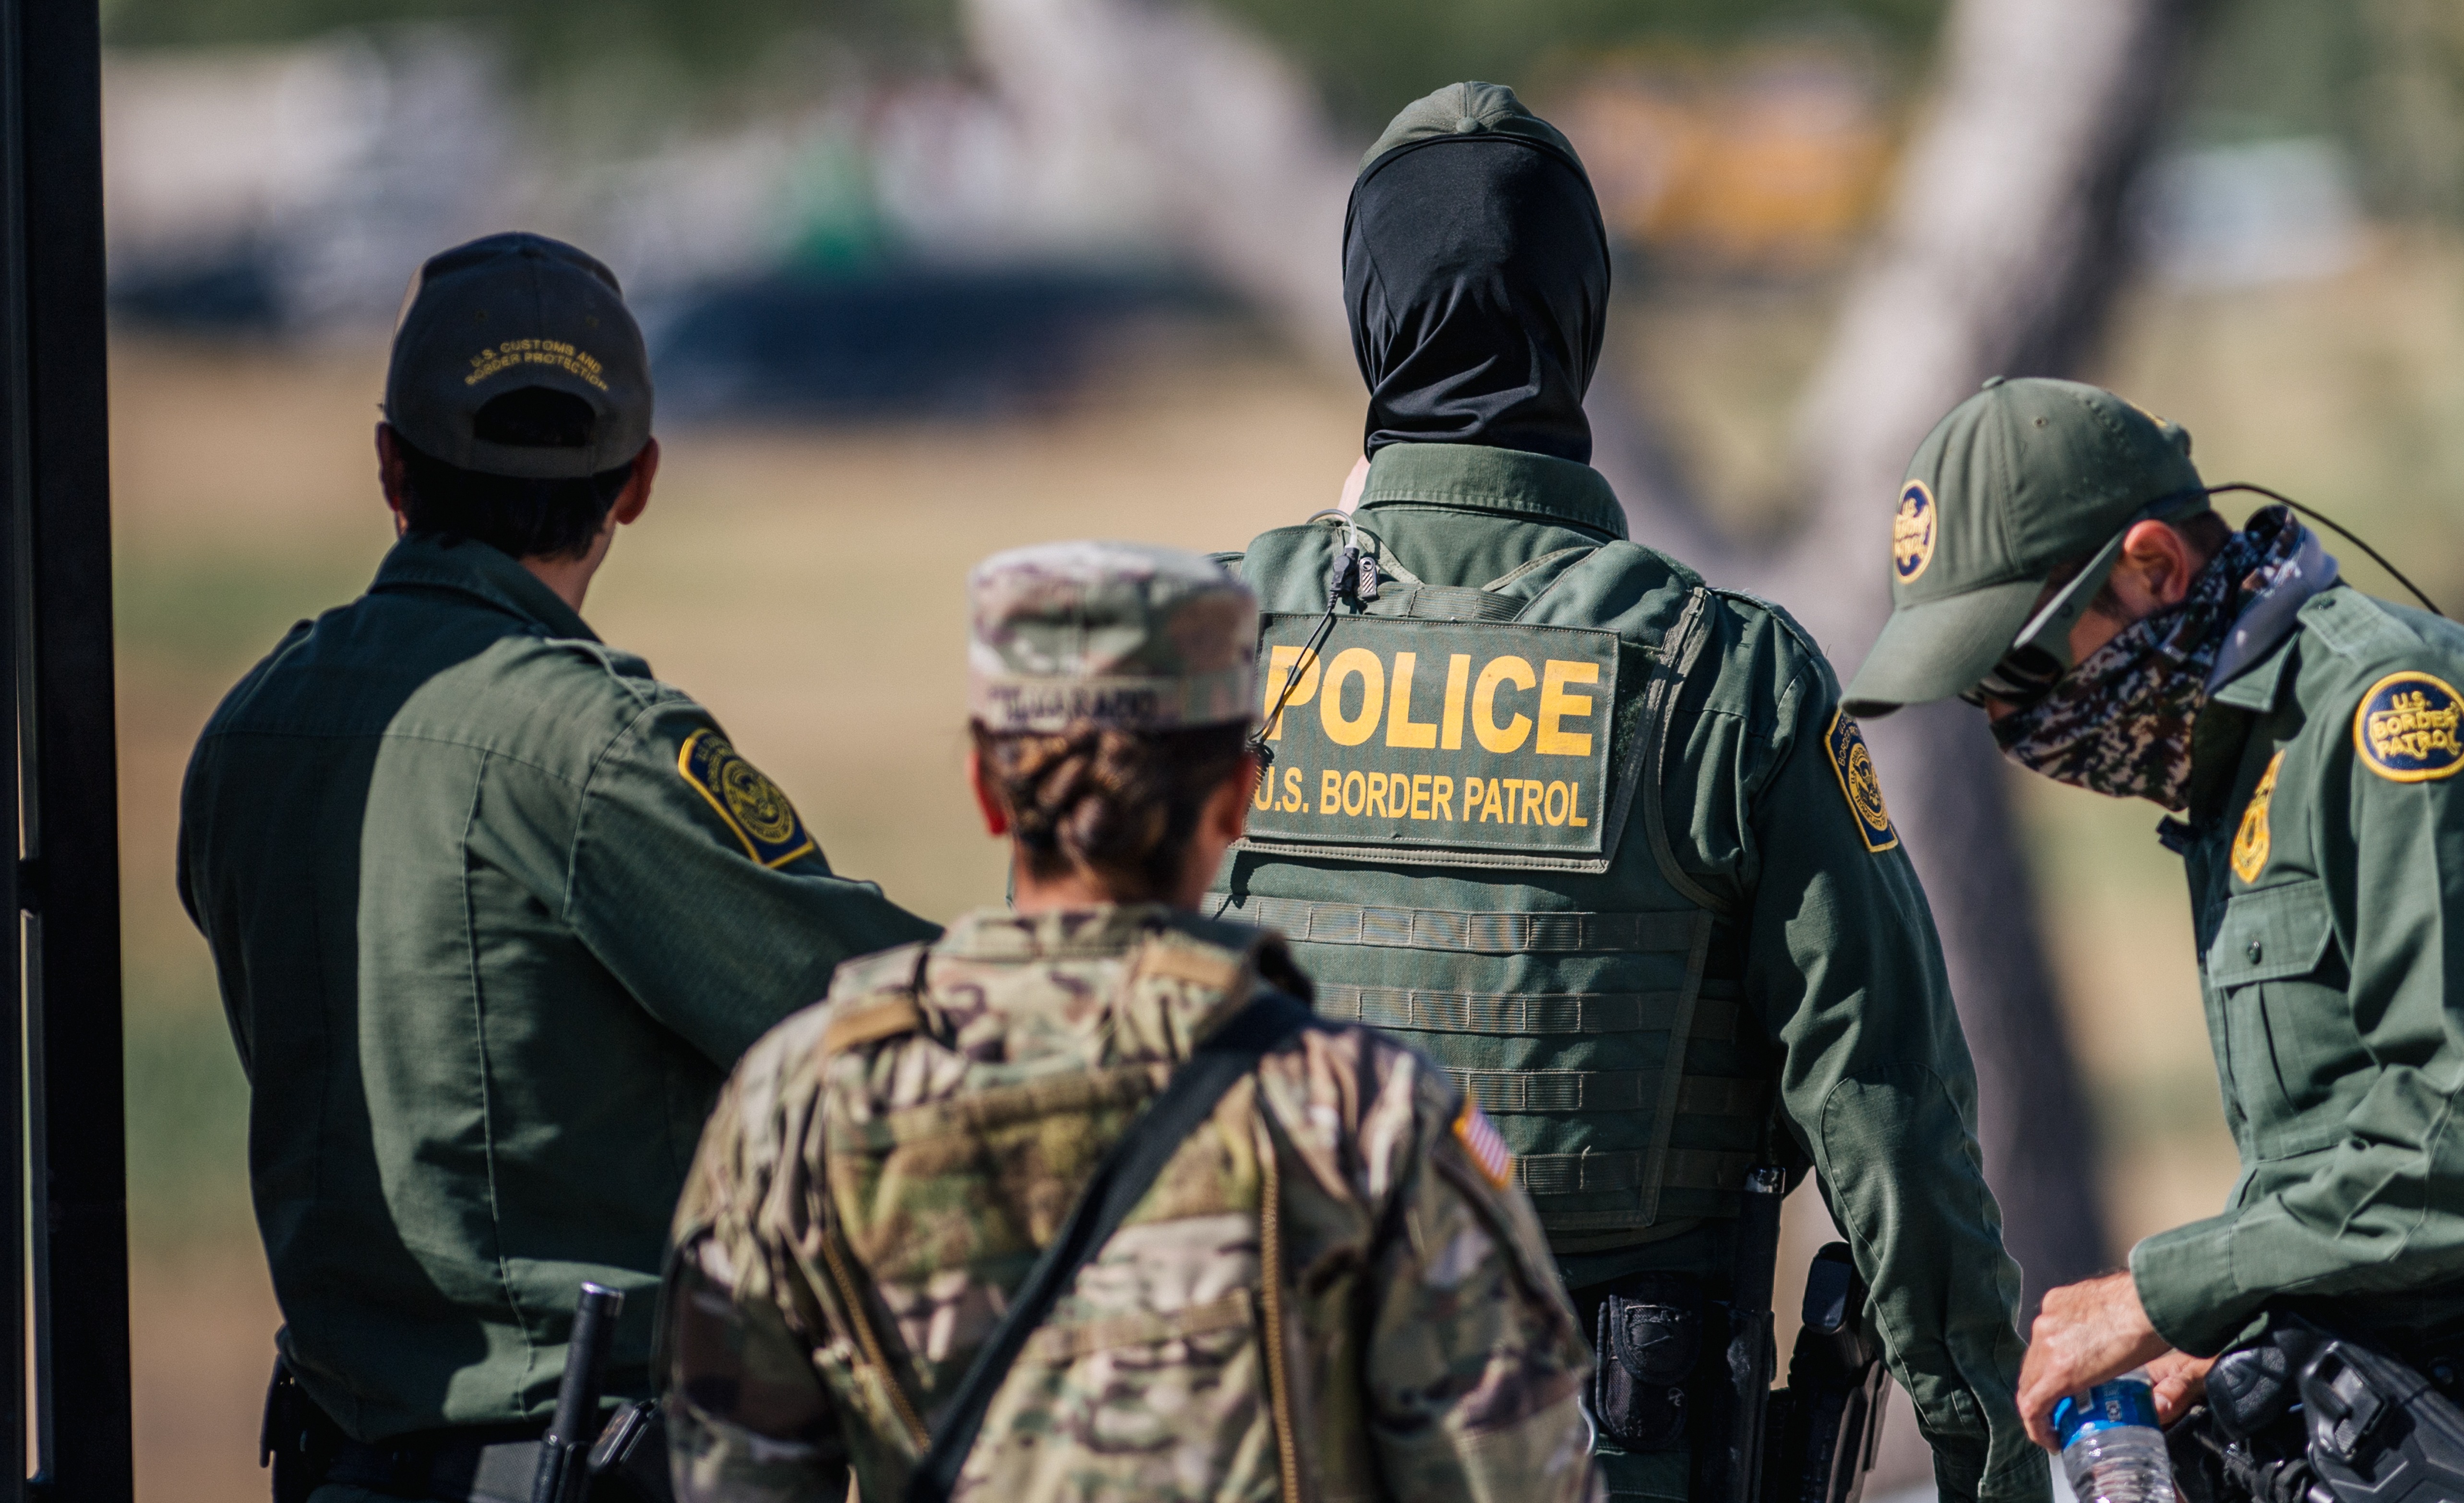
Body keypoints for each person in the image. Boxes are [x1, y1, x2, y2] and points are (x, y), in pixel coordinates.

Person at [1209, 82, 2043, 1503]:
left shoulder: (1218, 637)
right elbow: (1890, 1117)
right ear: (1583, 320)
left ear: (1366, 315)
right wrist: (1987, 1462)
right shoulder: (1729, 677)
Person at [176, 231, 941, 1503]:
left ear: (387, 466)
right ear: (636, 481)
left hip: (338, 1457)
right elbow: (873, 1013)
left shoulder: (251, 727)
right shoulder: (596, 749)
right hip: (576, 1461)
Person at [661, 540, 1598, 1502]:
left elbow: (731, 1474)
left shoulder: (803, 1096)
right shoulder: (1364, 1115)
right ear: (1239, 796)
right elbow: (1516, 1478)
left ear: (989, 788)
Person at [1838, 377, 2464, 1468]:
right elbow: (2340, 1148)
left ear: (2156, 568)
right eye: (1975, 690)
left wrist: (2165, 1295)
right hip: (2369, 1432)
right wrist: (2228, 1334)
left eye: (2016, 666)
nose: (2005, 718)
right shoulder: (2239, 765)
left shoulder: (2390, 720)